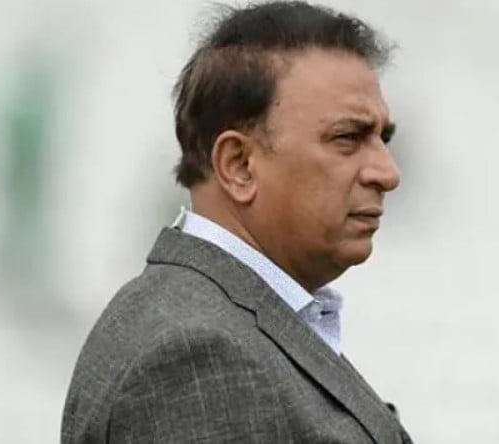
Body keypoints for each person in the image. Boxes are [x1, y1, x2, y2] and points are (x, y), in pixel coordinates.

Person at [61, 2, 412, 443]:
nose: (387, 173)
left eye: (382, 138)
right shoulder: (196, 353)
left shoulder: (220, 323)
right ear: (239, 165)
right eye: (347, 138)